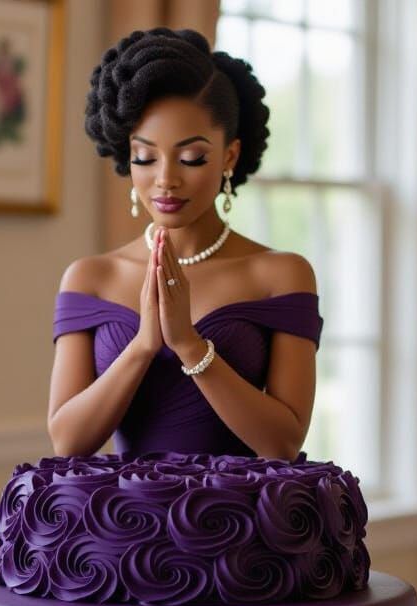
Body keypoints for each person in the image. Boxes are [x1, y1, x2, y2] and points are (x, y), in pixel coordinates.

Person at [48, 28, 324, 461]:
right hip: (121, 505)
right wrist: (143, 345)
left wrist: (189, 344)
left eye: (191, 158)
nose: (165, 179)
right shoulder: (90, 278)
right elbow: (67, 442)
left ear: (229, 156)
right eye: (145, 157)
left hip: (243, 505)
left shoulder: (281, 275)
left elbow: (284, 443)